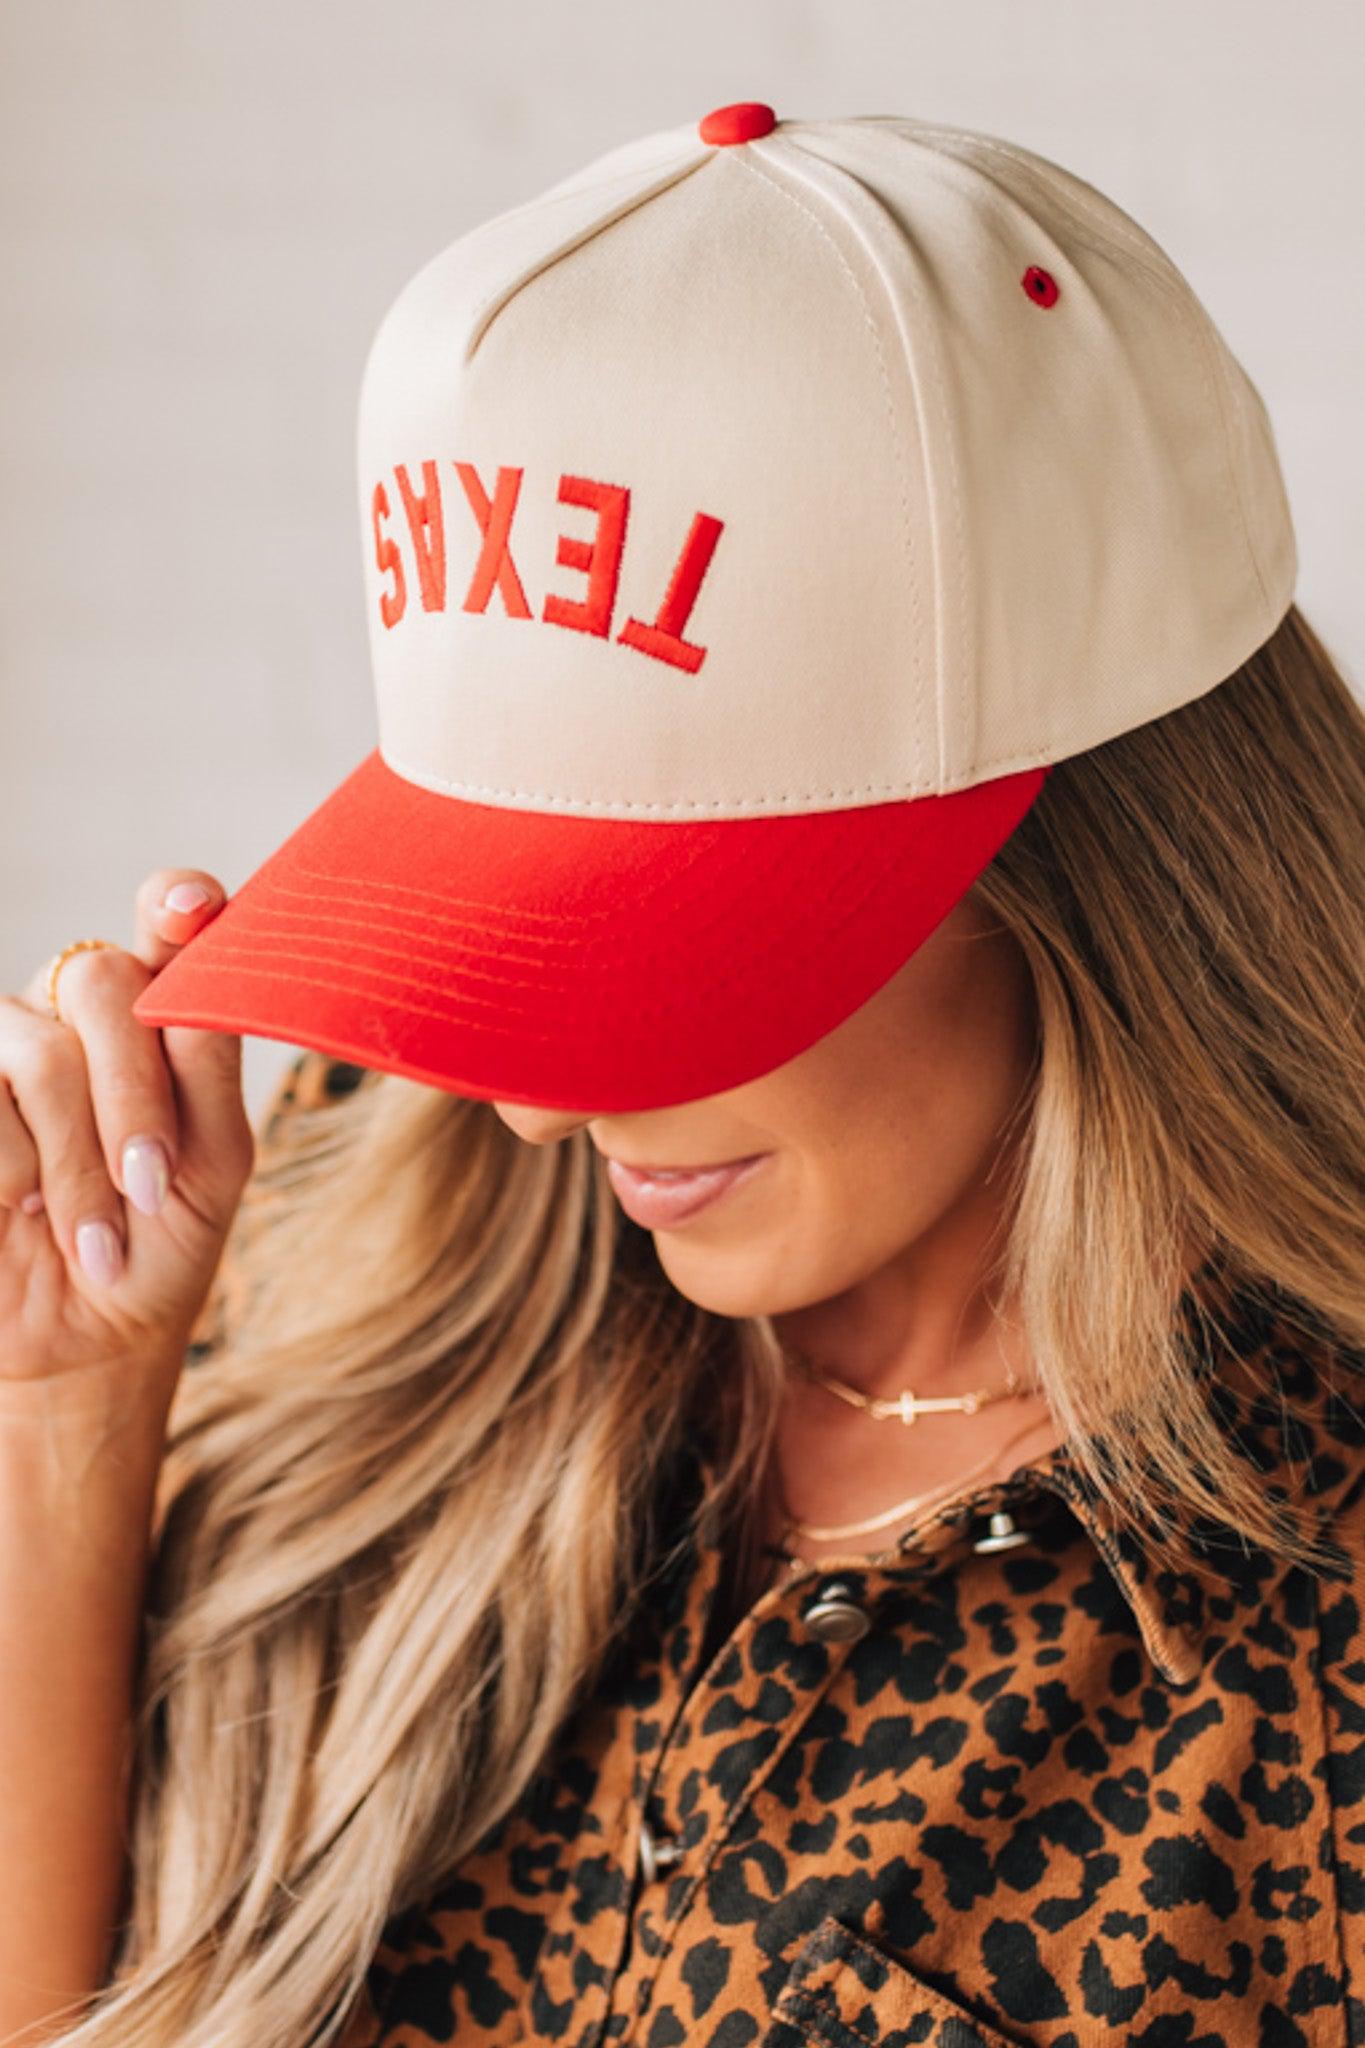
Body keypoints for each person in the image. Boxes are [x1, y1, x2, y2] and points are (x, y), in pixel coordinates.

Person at [1, 105, 1361, 2048]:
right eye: (496, 928)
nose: (539, 1106)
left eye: (665, 964)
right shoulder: (341, 1255)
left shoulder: (1291, 1655)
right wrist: (66, 1420)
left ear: (1088, 860)